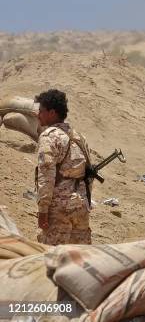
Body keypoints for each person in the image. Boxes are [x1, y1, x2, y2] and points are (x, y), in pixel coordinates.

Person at [35, 89, 93, 245]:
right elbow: (89, 173)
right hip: (81, 205)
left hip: (59, 209)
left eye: (41, 111)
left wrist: (43, 211)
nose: (37, 114)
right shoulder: (78, 136)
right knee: (78, 257)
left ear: (52, 113)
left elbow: (46, 175)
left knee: (52, 256)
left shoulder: (49, 136)